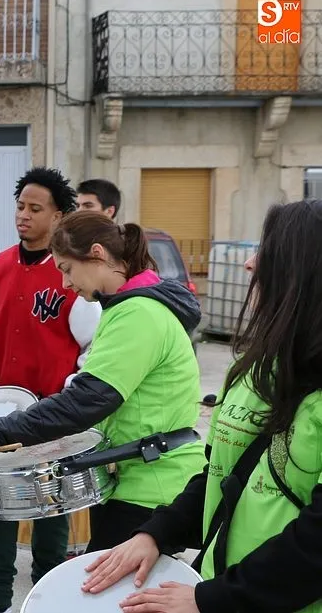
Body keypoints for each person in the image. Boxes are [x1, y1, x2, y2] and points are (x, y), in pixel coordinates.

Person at [82, 200, 322, 613]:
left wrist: (212, 599)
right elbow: (219, 475)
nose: (249, 263)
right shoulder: (252, 372)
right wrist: (156, 534)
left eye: (268, 250)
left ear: (306, 271)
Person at [0, 211, 207, 553]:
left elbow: (87, 400)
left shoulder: (138, 314)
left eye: (67, 269)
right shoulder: (125, 308)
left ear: (96, 254)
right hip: (138, 479)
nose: (65, 284)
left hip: (153, 487)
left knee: (96, 583)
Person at [0, 167, 102, 613]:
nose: (24, 215)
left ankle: (46, 600)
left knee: (50, 516)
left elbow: (92, 348)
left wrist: (70, 395)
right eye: (20, 206)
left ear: (58, 216)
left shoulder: (72, 274)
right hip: (1, 415)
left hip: (52, 416)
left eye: (36, 208)